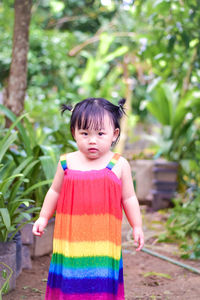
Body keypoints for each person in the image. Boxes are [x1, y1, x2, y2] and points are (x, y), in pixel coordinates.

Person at [32, 97, 144, 300]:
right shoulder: (67, 162)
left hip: (103, 240)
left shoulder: (119, 164)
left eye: (100, 133)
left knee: (100, 280)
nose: (92, 140)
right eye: (85, 133)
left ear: (114, 134)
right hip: (70, 239)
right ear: (74, 132)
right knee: (70, 277)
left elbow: (129, 198)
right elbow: (54, 192)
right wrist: (43, 217)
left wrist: (137, 226)